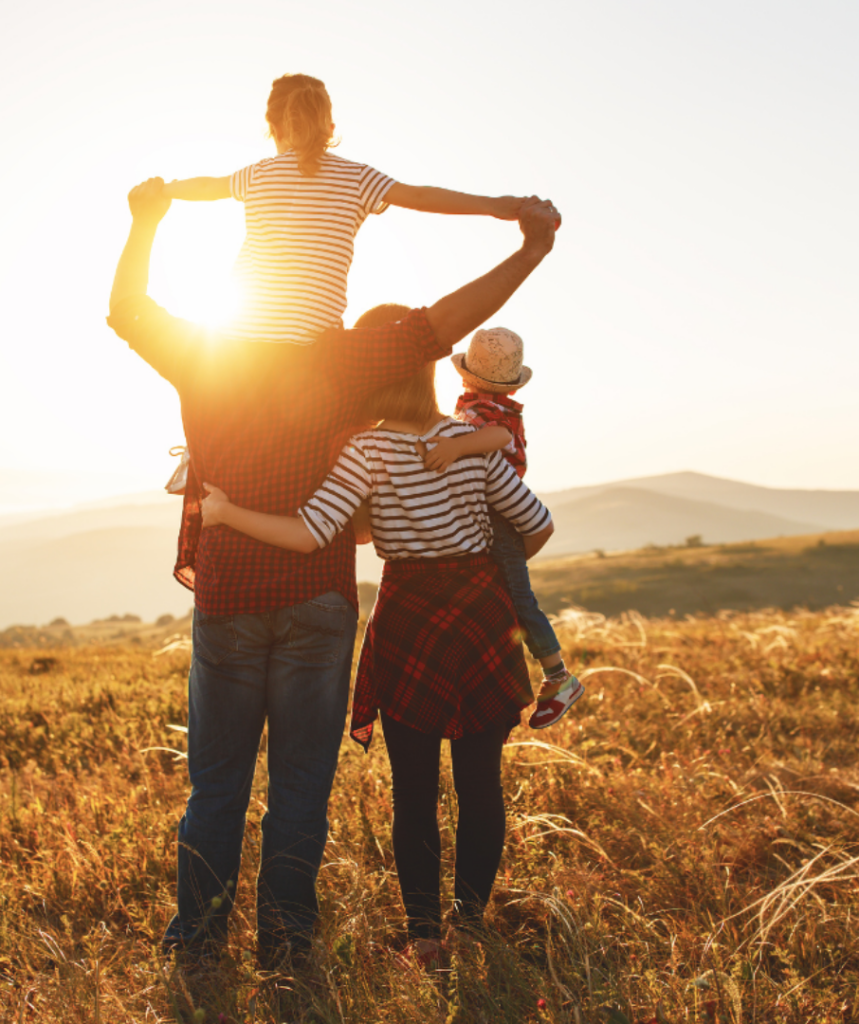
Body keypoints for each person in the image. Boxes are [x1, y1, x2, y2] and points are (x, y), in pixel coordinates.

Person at [106, 176, 561, 967]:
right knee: (301, 789)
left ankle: (199, 943)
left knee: (216, 786)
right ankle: (287, 945)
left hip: (229, 597)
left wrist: (146, 222)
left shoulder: (204, 351)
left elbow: (128, 309)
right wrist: (529, 247)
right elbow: (448, 322)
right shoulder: (349, 356)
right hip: (320, 600)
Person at [199, 331, 555, 966]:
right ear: (427, 376)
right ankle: (469, 926)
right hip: (478, 616)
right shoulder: (466, 440)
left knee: (412, 791)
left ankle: (425, 937)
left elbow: (311, 534)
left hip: (409, 618)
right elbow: (538, 524)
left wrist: (225, 514)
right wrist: (481, 570)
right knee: (481, 786)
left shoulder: (366, 449)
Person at [163, 73, 525, 346]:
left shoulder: (258, 174)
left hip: (239, 335)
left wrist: (164, 190)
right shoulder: (357, 177)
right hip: (312, 342)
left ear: (272, 128)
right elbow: (421, 197)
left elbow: (208, 186)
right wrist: (495, 205)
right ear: (330, 127)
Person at [421, 326, 584, 727]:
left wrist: (456, 447)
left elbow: (496, 438)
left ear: (465, 374)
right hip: (493, 512)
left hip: (498, 513)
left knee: (517, 598)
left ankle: (558, 676)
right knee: (500, 596)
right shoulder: (485, 405)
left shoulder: (488, 413)